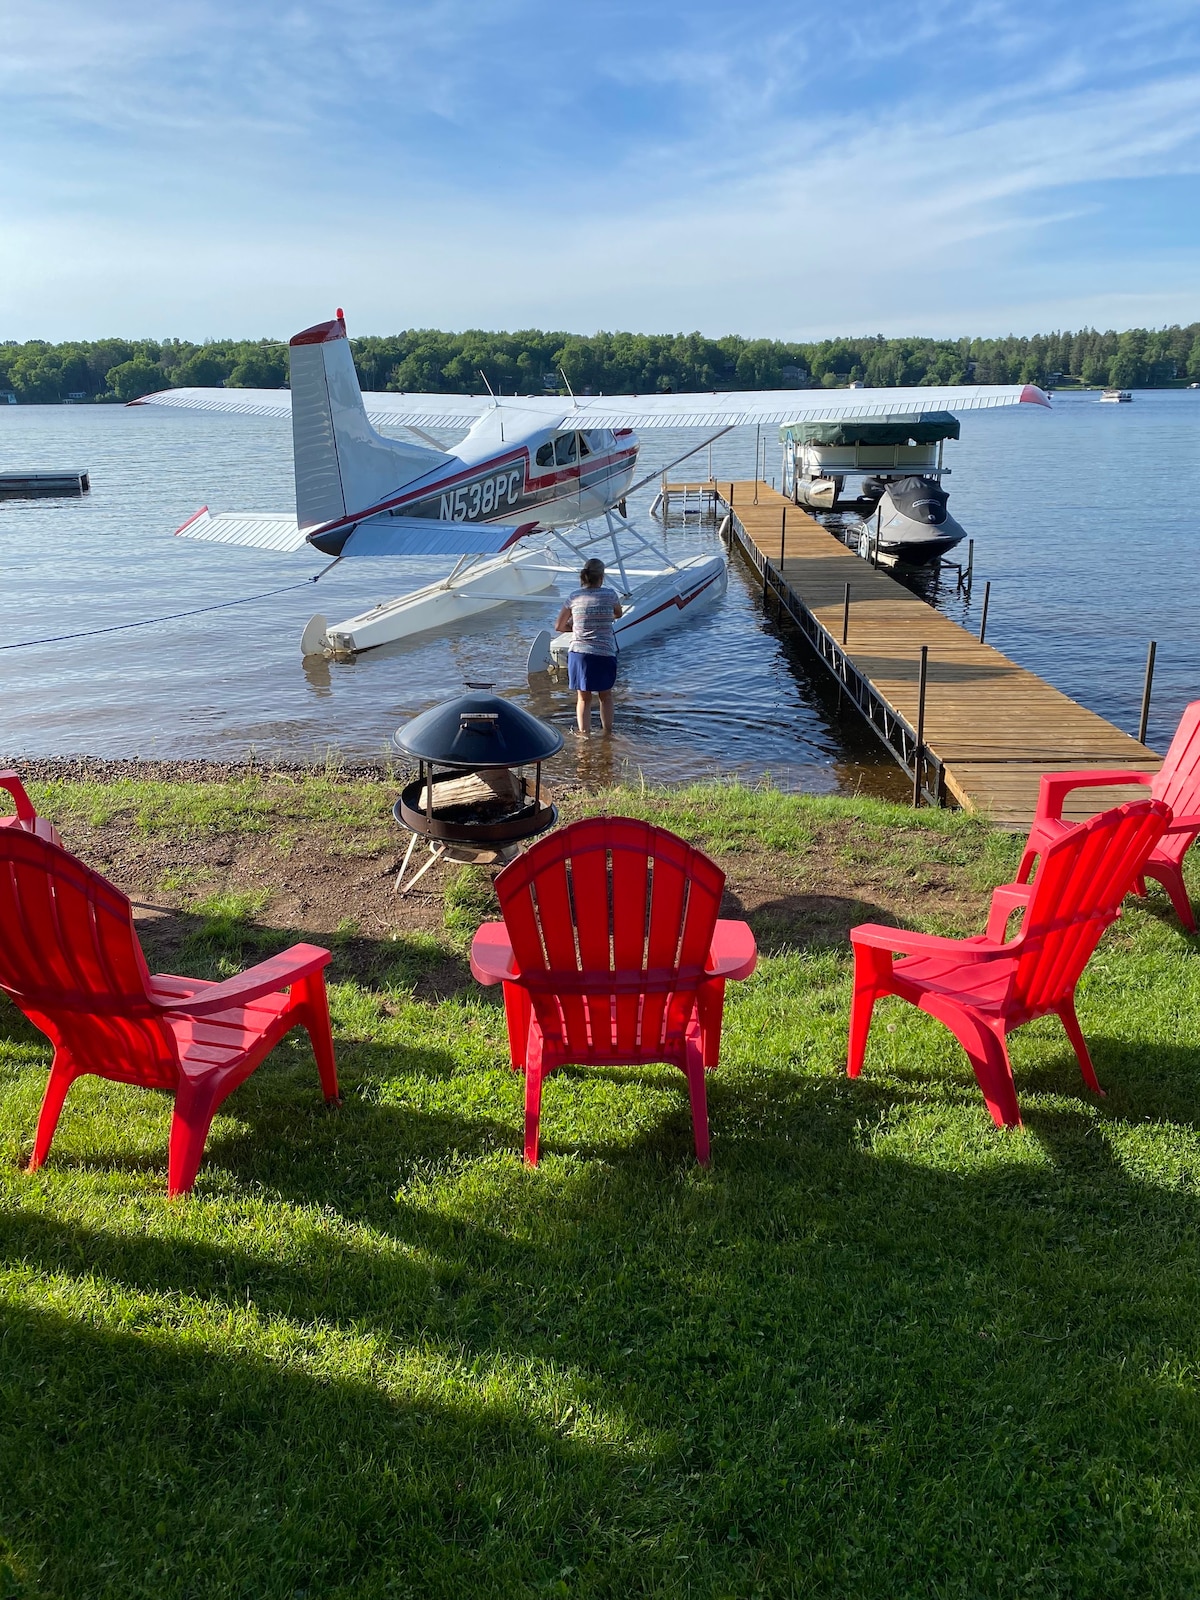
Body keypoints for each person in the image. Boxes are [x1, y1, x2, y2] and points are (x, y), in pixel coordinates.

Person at [554, 557, 623, 735]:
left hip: (580, 653)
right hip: (604, 652)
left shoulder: (574, 596)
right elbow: (618, 613)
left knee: (583, 699)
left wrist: (575, 627)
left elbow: (559, 626)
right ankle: (607, 733)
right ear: (602, 576)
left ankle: (584, 736)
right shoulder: (610, 595)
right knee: (605, 696)